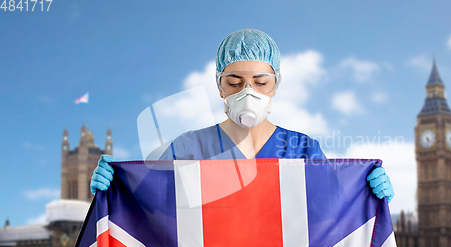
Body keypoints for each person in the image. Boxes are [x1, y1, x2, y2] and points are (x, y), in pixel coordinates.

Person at [90, 29, 394, 202]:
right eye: (234, 83)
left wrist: (365, 194)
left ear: (276, 85)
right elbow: (148, 209)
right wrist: (115, 190)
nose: (247, 93)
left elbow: (333, 213)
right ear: (220, 86)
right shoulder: (185, 149)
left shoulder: (304, 151)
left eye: (261, 82)